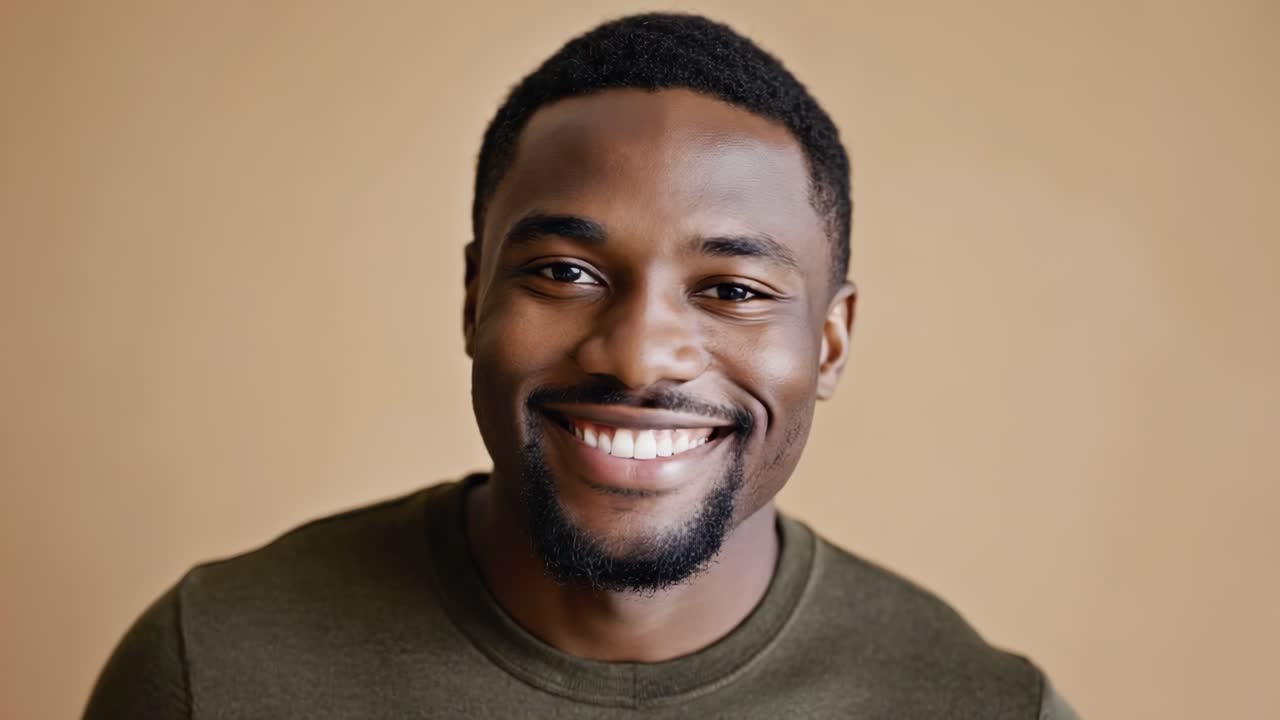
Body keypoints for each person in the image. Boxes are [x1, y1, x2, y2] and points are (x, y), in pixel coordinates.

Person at [85, 13, 1077, 719]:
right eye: (563, 271)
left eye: (731, 288)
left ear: (828, 341)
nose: (639, 353)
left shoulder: (978, 707)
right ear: (474, 295)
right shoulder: (212, 670)